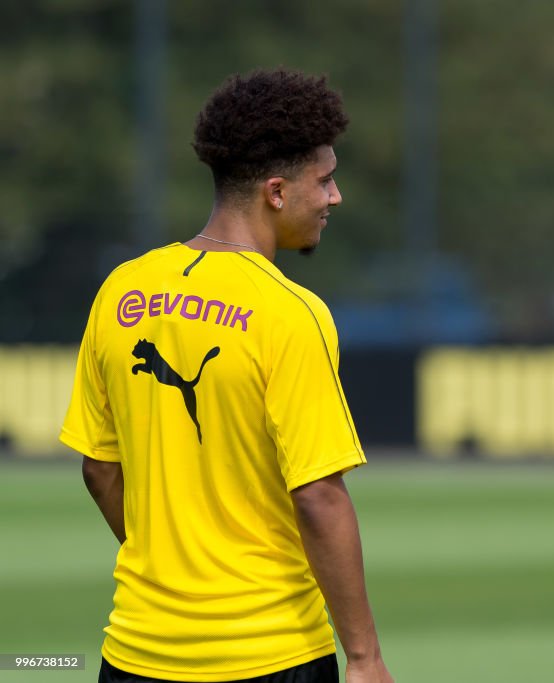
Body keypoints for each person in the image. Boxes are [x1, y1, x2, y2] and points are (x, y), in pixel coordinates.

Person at [60, 69, 393, 683]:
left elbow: (99, 468)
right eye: (324, 181)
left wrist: (172, 563)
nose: (334, 198)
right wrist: (366, 658)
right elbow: (318, 495)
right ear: (275, 192)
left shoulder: (121, 289)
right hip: (269, 654)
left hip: (135, 653)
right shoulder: (291, 312)